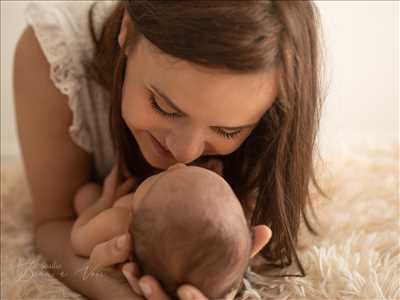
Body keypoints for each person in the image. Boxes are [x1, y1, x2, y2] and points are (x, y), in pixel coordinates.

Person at [14, 0, 326, 299]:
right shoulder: (54, 54)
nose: (185, 154)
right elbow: (52, 224)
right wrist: (114, 291)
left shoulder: (275, 107)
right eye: (164, 107)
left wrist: (222, 277)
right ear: (127, 31)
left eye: (228, 130)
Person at [71, 162, 255, 300]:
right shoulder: (164, 228)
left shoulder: (116, 222)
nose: (177, 165)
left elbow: (77, 240)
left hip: (103, 220)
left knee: (85, 195)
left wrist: (104, 200)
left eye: (160, 179)